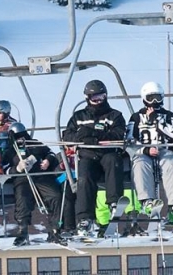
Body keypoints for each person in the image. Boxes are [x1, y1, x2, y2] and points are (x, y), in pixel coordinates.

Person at [61, 80, 125, 236]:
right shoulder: (79, 117)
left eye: (101, 97)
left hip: (108, 153)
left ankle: (114, 202)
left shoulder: (115, 115)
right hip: (88, 155)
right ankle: (85, 217)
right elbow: (67, 135)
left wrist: (93, 135)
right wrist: (81, 136)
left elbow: (118, 134)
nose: (98, 101)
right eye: (94, 98)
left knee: (113, 162)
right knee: (84, 174)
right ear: (87, 98)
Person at [127, 81, 173, 224]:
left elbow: (172, 133)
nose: (154, 102)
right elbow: (129, 140)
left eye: (157, 98)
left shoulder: (168, 115)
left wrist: (156, 120)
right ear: (144, 98)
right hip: (143, 151)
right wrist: (145, 149)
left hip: (164, 150)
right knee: (140, 165)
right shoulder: (136, 117)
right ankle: (147, 201)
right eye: (151, 98)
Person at [2, 122, 65, 245]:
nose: (21, 139)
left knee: (55, 196)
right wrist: (17, 168)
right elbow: (4, 169)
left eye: (23, 135)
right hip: (22, 178)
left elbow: (50, 153)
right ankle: (23, 230)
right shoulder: (9, 151)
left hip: (40, 175)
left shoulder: (35, 144)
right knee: (22, 198)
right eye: (18, 136)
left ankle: (55, 230)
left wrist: (47, 161)